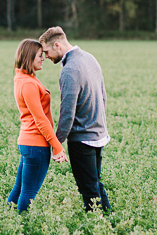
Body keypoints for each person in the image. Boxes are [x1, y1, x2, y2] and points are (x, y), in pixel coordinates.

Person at [39, 26, 111, 212]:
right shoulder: (90, 58)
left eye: (46, 52)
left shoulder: (69, 70)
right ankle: (109, 217)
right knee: (95, 182)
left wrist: (56, 144)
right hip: (99, 134)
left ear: (57, 45)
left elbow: (67, 114)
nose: (45, 56)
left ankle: (97, 226)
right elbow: (103, 96)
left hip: (82, 139)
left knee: (88, 188)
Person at [7, 39, 68, 213]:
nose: (43, 59)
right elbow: (40, 120)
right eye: (40, 56)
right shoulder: (28, 84)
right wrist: (57, 147)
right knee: (28, 191)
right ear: (29, 57)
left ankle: (9, 219)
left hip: (29, 143)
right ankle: (22, 226)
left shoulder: (23, 78)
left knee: (19, 188)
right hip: (36, 145)